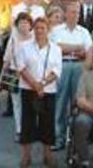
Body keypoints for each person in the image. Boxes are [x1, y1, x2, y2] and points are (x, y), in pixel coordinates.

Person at [16, 17, 62, 167]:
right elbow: (21, 68)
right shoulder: (23, 46)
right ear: (33, 29)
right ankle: (26, 156)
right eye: (37, 28)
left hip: (48, 90)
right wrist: (35, 85)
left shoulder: (56, 48)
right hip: (28, 89)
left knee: (47, 123)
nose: (39, 31)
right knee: (27, 122)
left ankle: (48, 155)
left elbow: (56, 71)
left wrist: (41, 84)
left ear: (48, 30)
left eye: (43, 28)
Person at [49, 1, 93, 151]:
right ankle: (58, 137)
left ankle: (76, 138)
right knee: (60, 102)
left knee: (77, 103)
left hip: (79, 67)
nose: (76, 15)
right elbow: (56, 49)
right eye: (73, 12)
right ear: (66, 14)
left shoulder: (84, 32)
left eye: (78, 12)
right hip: (62, 65)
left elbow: (88, 52)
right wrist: (76, 48)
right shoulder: (56, 30)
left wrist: (67, 49)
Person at [0, 12, 34, 140]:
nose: (24, 25)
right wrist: (1, 77)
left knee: (30, 103)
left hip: (31, 75)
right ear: (17, 25)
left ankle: (30, 129)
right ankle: (19, 130)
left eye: (26, 23)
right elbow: (7, 59)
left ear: (31, 25)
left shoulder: (35, 38)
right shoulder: (13, 38)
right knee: (17, 104)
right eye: (21, 23)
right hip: (14, 74)